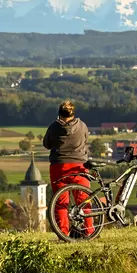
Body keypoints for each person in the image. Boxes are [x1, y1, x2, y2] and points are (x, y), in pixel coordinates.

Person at [43, 100, 94, 236]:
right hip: (79, 166)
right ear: (73, 113)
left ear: (59, 113)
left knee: (60, 203)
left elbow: (46, 144)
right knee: (84, 201)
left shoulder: (54, 127)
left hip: (59, 166)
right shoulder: (82, 126)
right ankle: (89, 231)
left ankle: (63, 233)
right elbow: (85, 140)